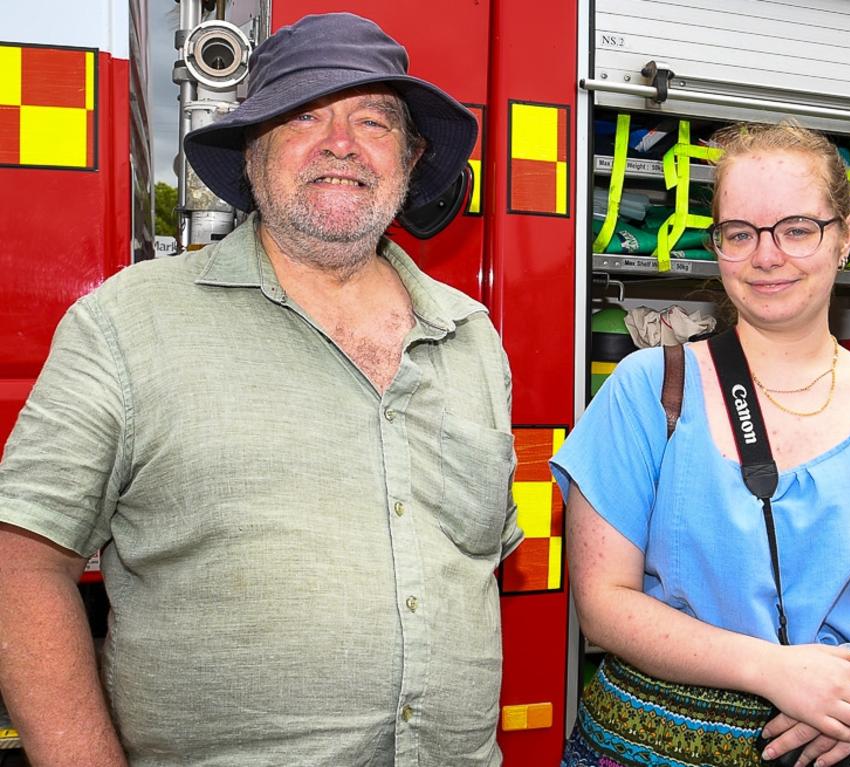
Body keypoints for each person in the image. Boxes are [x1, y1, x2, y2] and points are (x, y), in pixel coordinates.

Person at [0, 12, 520, 767]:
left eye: (373, 120)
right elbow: (20, 562)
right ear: (251, 153)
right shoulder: (124, 323)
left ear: (408, 161)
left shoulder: (473, 338)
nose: (340, 142)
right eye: (303, 115)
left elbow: (476, 565)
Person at [554, 121, 850, 767]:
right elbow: (604, 603)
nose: (766, 255)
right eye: (739, 232)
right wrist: (775, 672)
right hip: (642, 746)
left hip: (835, 743)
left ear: (844, 236)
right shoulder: (650, 389)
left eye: (797, 228)